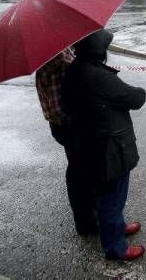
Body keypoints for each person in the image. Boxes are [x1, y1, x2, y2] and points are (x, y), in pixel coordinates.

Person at [62, 30, 146, 261]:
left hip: (89, 145)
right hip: (108, 150)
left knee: (105, 195)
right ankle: (116, 248)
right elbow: (136, 98)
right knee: (112, 198)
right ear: (99, 50)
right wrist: (139, 90)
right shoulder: (95, 75)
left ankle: (116, 227)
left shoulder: (74, 70)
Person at [36, 48, 98, 236]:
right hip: (69, 127)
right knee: (79, 173)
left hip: (65, 125)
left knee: (83, 169)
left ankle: (91, 214)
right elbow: (56, 110)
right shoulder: (54, 62)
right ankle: (86, 223)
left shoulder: (58, 55)